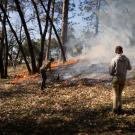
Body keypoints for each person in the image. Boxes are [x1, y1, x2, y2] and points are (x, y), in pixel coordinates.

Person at [109, 46, 132, 114]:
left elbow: (110, 72)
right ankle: (120, 108)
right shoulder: (126, 59)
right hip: (123, 78)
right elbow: (129, 68)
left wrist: (113, 73)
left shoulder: (114, 59)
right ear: (122, 51)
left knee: (115, 94)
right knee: (120, 94)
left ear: (116, 51)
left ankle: (114, 110)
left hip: (116, 78)